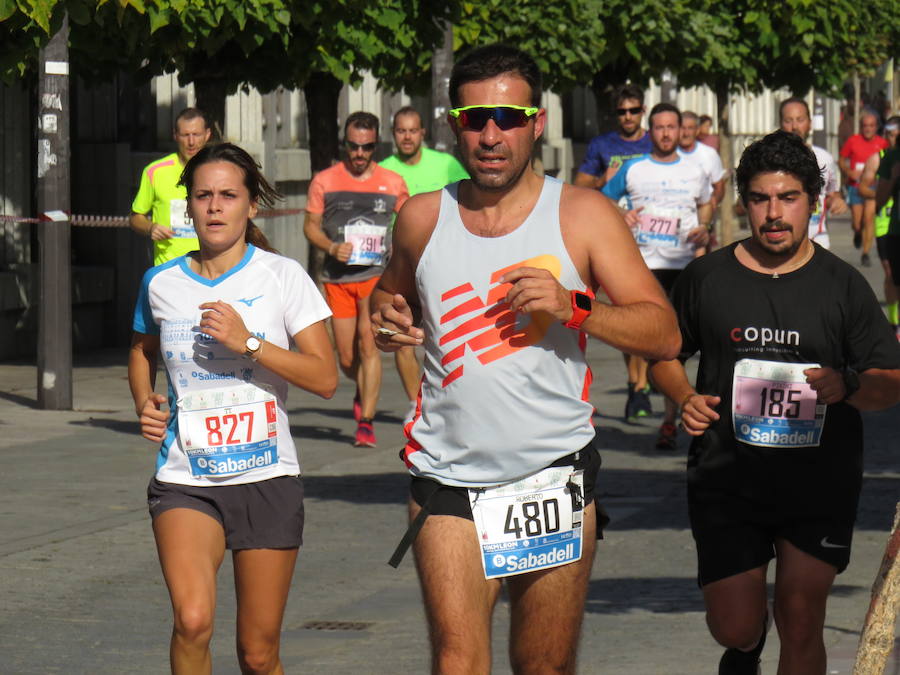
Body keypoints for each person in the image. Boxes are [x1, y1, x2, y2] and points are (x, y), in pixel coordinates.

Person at [371, 44, 680, 674]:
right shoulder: (422, 217)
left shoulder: (584, 216)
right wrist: (386, 316)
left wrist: (578, 308)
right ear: (453, 123)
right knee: (457, 662)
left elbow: (664, 333)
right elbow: (390, 293)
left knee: (542, 666)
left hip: (549, 476)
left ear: (536, 123)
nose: (491, 135)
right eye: (476, 118)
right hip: (447, 476)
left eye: (508, 118)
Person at [649, 130, 900, 674]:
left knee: (801, 614)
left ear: (815, 200)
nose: (773, 213)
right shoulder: (707, 278)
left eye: (788, 198)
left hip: (819, 478)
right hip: (726, 476)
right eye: (760, 198)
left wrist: (849, 386)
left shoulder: (843, 286)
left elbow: (889, 378)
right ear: (744, 201)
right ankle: (744, 649)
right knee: (734, 625)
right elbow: (663, 354)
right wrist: (684, 395)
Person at [128, 143, 338, 674]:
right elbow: (140, 349)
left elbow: (326, 378)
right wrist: (144, 401)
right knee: (193, 620)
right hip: (185, 478)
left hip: (267, 478)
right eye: (203, 196)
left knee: (258, 653)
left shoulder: (283, 276)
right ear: (188, 207)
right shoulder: (161, 282)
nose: (215, 207)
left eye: (228, 195)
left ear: (251, 206)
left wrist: (248, 344)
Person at [602, 102, 712, 447]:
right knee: (648, 339)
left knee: (675, 347)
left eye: (672, 127)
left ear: (681, 131)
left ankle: (669, 416)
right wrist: (621, 214)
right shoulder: (634, 168)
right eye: (660, 127)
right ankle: (650, 398)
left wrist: (704, 228)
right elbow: (600, 201)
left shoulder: (695, 169)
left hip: (683, 266)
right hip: (642, 265)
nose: (666, 133)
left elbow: (706, 203)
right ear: (652, 131)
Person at [303, 112, 409, 447]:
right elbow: (310, 226)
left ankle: (366, 421)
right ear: (344, 144)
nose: (359, 154)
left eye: (367, 147)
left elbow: (407, 223)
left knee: (369, 342)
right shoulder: (325, 180)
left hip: (376, 276)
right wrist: (332, 247)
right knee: (348, 359)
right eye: (353, 146)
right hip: (338, 278)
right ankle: (362, 387)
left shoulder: (393, 182)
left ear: (376, 145)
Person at [379, 107, 469, 412]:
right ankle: (414, 403)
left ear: (422, 133)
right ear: (394, 134)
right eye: (401, 130)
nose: (407, 136)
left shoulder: (446, 165)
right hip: (400, 257)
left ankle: (449, 394)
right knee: (404, 328)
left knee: (442, 331)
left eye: (412, 130)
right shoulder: (384, 170)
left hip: (445, 256)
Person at [131, 108, 213, 265]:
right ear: (175, 135)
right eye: (185, 135)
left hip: (210, 268)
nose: (191, 142)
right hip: (169, 269)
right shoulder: (155, 171)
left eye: (196, 135)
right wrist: (151, 227)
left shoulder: (219, 171)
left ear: (207, 135)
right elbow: (135, 218)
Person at [780, 97, 847, 249]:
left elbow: (831, 194)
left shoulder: (824, 158)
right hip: (782, 243)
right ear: (780, 124)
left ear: (809, 123)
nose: (794, 126)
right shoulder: (770, 160)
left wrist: (837, 201)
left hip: (817, 240)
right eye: (788, 120)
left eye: (800, 119)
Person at [859, 116, 899, 330]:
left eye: (897, 136)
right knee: (891, 273)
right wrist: (885, 190)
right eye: (891, 135)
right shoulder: (879, 158)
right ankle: (894, 323)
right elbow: (863, 188)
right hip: (886, 224)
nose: (894, 140)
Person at [574, 84, 652, 191]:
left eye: (633, 111)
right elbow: (579, 187)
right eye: (622, 112)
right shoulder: (601, 144)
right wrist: (601, 181)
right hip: (611, 206)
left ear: (643, 110)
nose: (628, 117)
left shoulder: (655, 141)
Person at [839, 109, 889, 266]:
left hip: (872, 188)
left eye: (872, 125)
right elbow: (841, 159)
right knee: (857, 222)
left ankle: (866, 253)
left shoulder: (882, 143)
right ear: (861, 126)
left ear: (876, 127)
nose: (868, 128)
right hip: (855, 187)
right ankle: (858, 232)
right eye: (865, 125)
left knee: (869, 219)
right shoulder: (853, 141)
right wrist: (848, 172)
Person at [875, 118, 900, 340]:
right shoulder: (890, 158)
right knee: (892, 276)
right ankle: (894, 325)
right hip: (894, 230)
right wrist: (893, 176)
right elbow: (879, 200)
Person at [679, 110, 726, 211]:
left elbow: (719, 187)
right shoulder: (669, 154)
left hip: (700, 214)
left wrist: (712, 203)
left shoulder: (709, 154)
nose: (686, 133)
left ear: (697, 130)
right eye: (682, 128)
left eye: (690, 128)